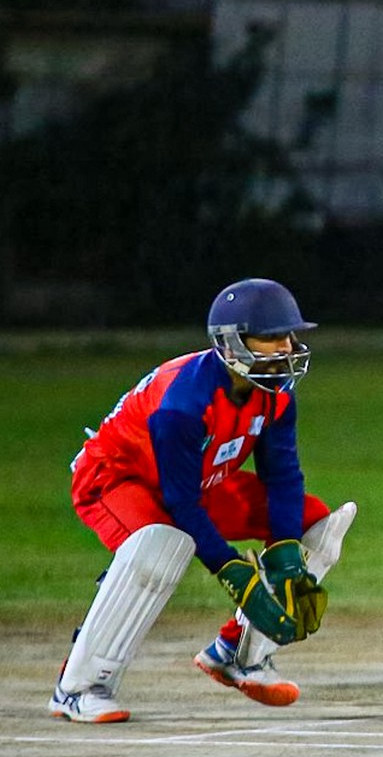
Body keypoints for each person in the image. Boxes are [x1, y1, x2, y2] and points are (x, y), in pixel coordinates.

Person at [50, 278, 357, 723]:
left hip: (197, 484)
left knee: (312, 521)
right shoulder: (183, 404)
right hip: (115, 479)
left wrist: (287, 555)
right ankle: (77, 687)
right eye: (272, 337)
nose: (287, 347)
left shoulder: (275, 392)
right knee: (160, 546)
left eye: (290, 335)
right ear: (231, 344)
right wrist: (233, 572)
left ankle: (239, 652)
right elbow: (180, 504)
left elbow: (282, 478)